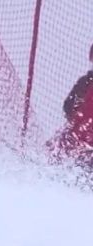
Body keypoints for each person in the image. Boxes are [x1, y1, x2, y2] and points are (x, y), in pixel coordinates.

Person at [46, 43, 93, 183]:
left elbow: (68, 107)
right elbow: (68, 107)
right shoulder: (85, 82)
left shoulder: (85, 82)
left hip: (75, 145)